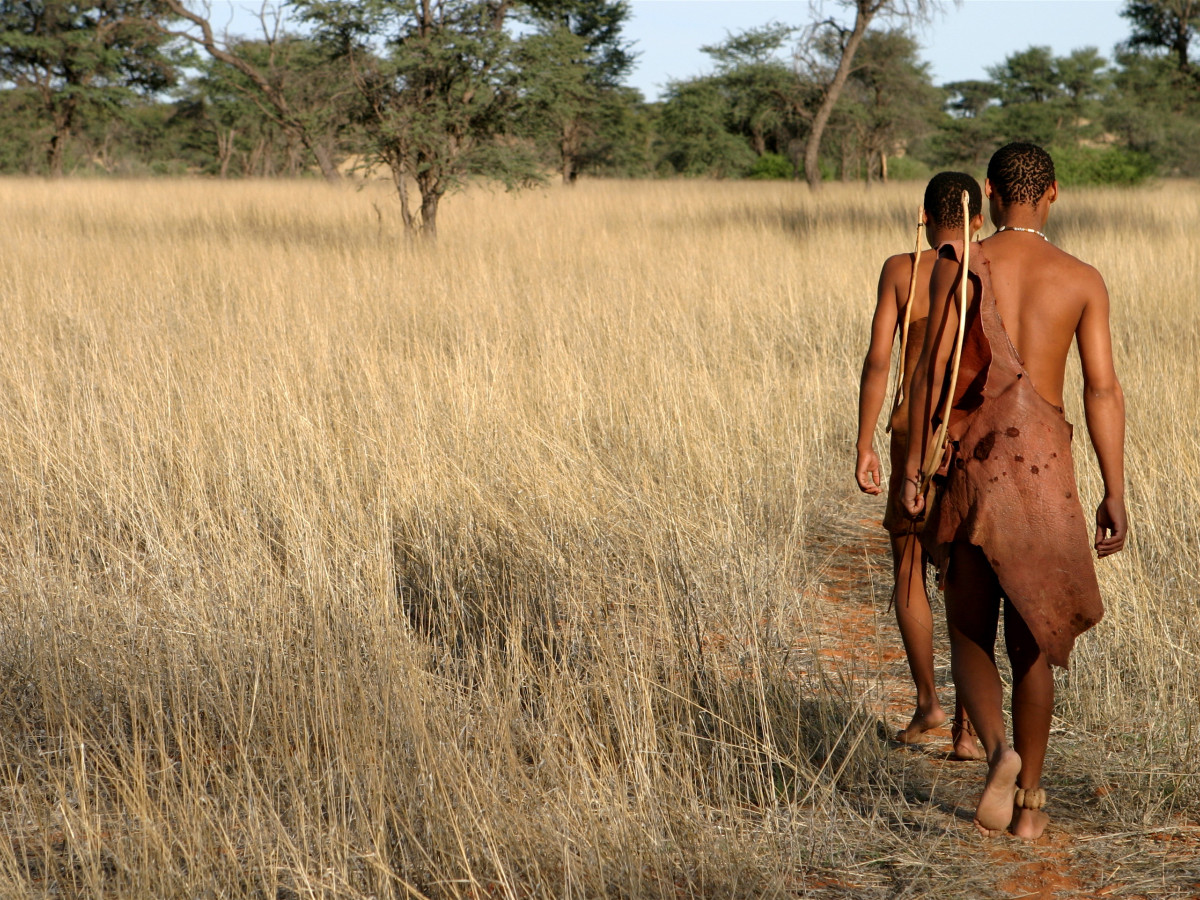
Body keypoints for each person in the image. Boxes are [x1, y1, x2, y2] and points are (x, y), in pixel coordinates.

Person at [902, 143, 1127, 840]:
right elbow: (1101, 389)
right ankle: (1030, 804)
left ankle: (997, 752)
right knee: (1034, 640)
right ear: (1053, 193)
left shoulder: (962, 267)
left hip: (974, 461)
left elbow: (934, 378)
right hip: (1047, 469)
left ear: (991, 195)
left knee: (970, 626)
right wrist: (1114, 490)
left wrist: (914, 469)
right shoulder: (1082, 279)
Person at [855, 172, 985, 761]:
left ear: (924, 217)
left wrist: (865, 443)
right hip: (972, 438)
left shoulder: (902, 268)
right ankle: (966, 727)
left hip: (913, 433)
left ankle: (929, 702)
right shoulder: (991, 268)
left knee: (909, 564)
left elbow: (879, 360)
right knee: (968, 579)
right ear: (977, 220)